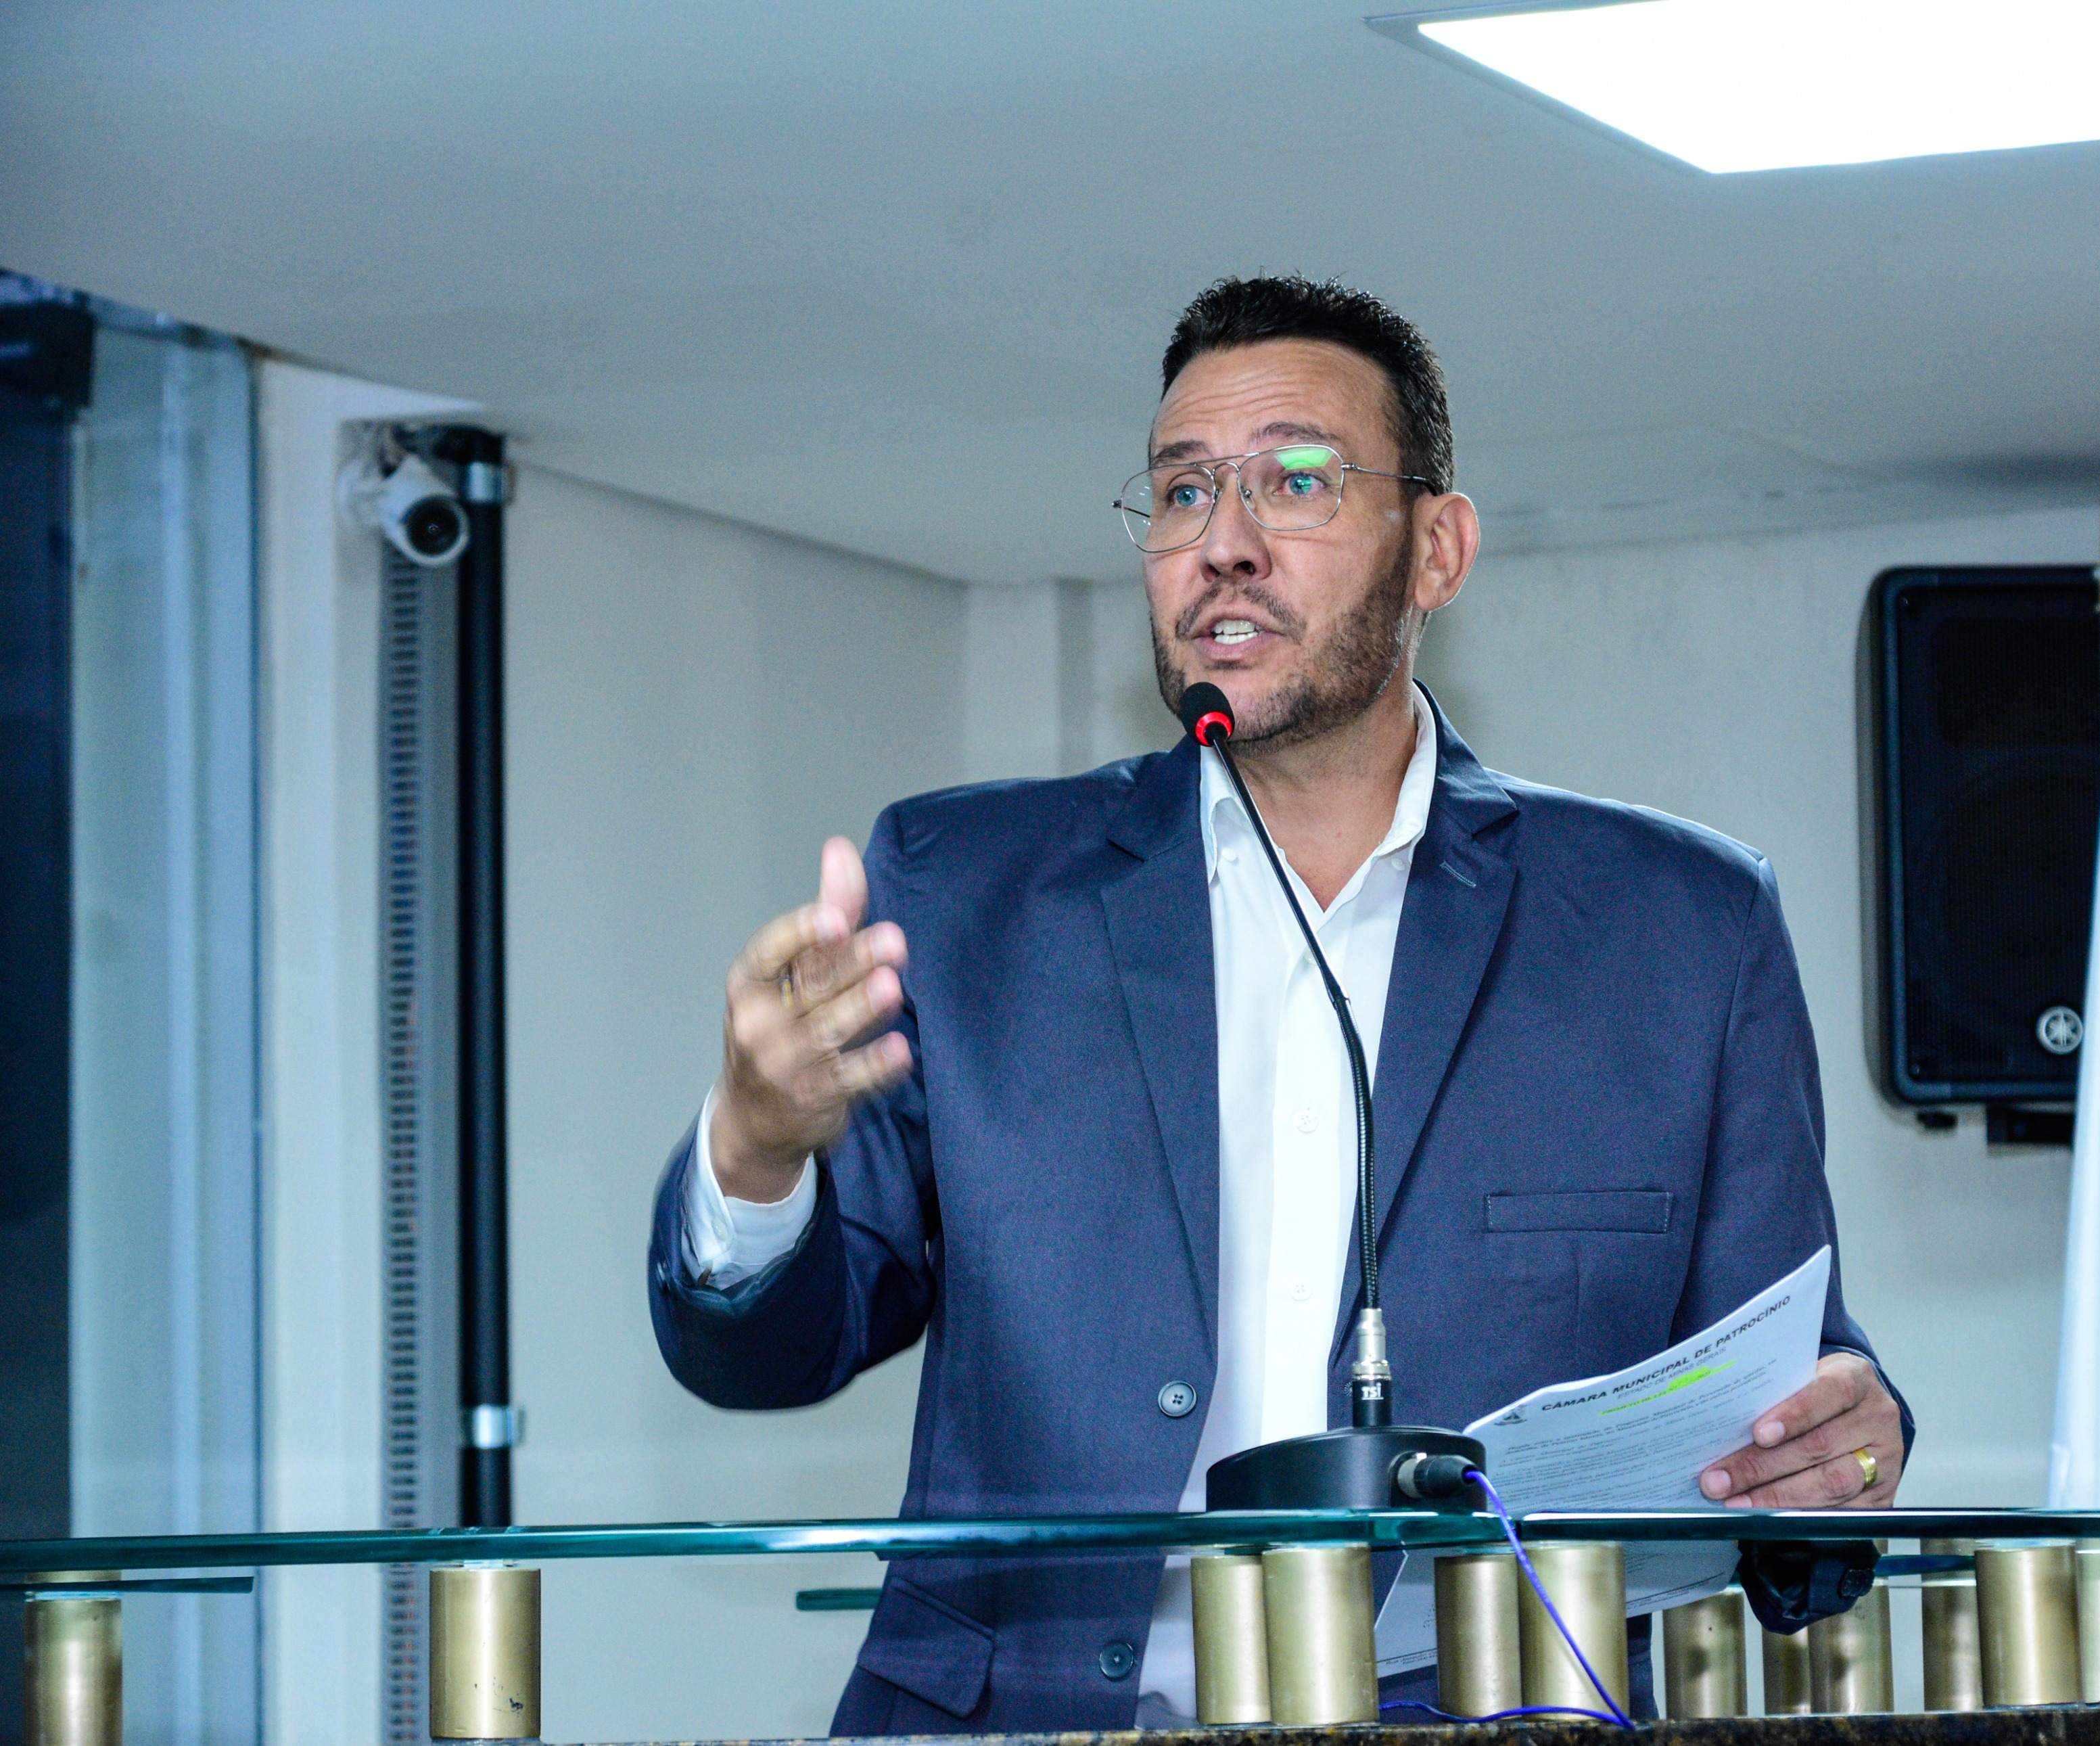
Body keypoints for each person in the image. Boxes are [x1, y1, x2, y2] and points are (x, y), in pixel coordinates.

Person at [647, 275, 1911, 1735]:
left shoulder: (1680, 929)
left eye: (1297, 481)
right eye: (1185, 490)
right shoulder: (964, 888)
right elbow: (763, 1353)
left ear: (1437, 548)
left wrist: (1845, 1446)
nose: (1224, 542)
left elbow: (1794, 1402)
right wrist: (755, 1149)